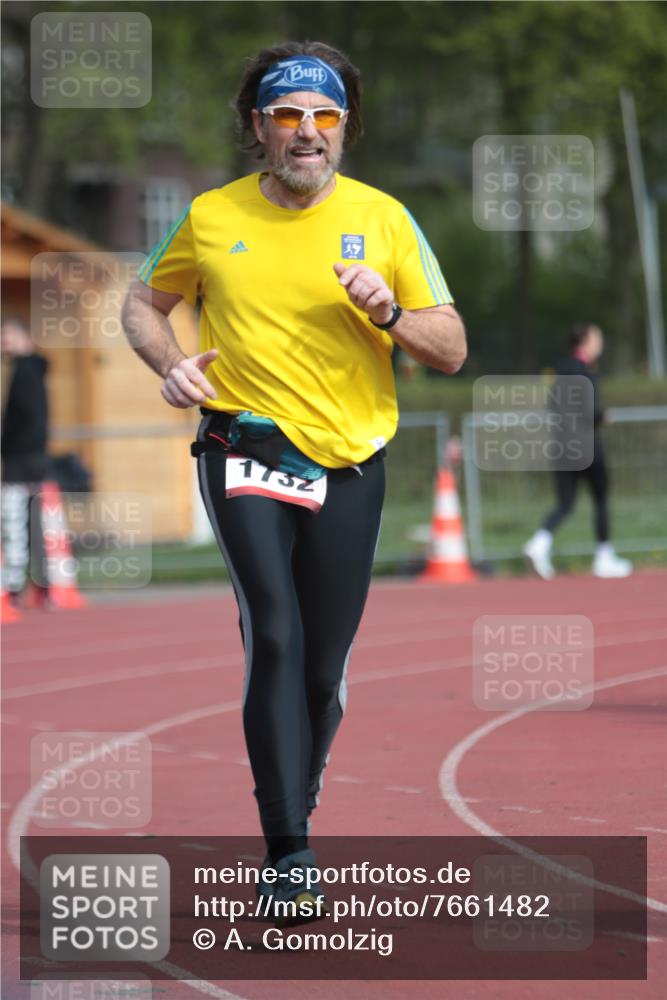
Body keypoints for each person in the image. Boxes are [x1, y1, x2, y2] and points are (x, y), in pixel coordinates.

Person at [122, 40, 466, 921]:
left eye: (324, 117)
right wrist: (169, 365)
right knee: (271, 630)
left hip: (350, 460)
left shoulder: (385, 219)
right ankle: (287, 848)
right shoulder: (208, 216)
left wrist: (386, 311)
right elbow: (140, 303)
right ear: (257, 128)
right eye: (287, 116)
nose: (306, 132)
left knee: (321, 665)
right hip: (243, 444)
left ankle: (298, 785)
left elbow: (451, 348)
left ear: (344, 129)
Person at [523, 322, 631, 580]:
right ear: (584, 342)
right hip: (587, 445)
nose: (600, 344)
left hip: (562, 444)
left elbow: (554, 405)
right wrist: (603, 416)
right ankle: (604, 556)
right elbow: (588, 410)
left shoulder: (561, 370)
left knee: (565, 503)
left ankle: (538, 543)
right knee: (601, 497)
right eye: (597, 339)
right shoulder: (584, 371)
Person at [1, 318, 50, 603]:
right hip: (34, 456)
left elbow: (25, 418)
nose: (3, 344)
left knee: (14, 520)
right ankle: (41, 584)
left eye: (7, 337)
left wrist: (7, 445)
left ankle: (14, 586)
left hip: (22, 458)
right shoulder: (34, 369)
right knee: (33, 521)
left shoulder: (24, 370)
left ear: (24, 339)